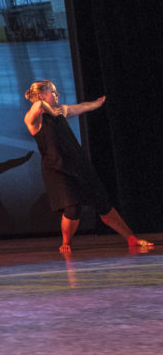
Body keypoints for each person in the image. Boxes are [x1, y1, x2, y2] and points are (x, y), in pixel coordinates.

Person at [23, 80, 154, 253]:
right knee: (72, 209)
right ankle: (66, 242)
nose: (57, 95)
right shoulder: (33, 120)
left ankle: (131, 238)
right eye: (53, 92)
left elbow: (80, 107)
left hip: (79, 165)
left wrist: (96, 104)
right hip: (57, 170)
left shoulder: (60, 111)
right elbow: (38, 106)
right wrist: (51, 110)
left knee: (103, 204)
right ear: (41, 95)